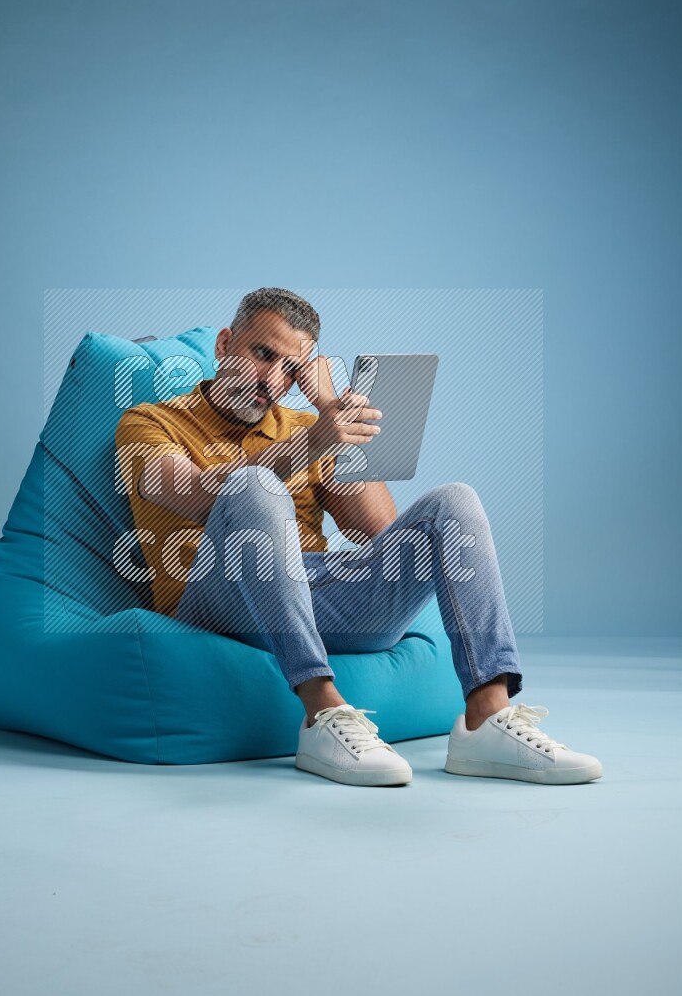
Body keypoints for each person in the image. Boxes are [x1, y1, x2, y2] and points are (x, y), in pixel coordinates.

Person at [115, 288, 603, 788]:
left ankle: (486, 718)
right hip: (216, 602)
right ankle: (323, 713)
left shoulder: (311, 424)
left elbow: (378, 534)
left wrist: (329, 410)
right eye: (262, 354)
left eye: (289, 368)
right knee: (252, 485)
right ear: (224, 344)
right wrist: (314, 441)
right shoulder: (148, 422)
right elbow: (199, 494)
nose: (269, 378)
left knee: (454, 501)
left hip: (312, 597)